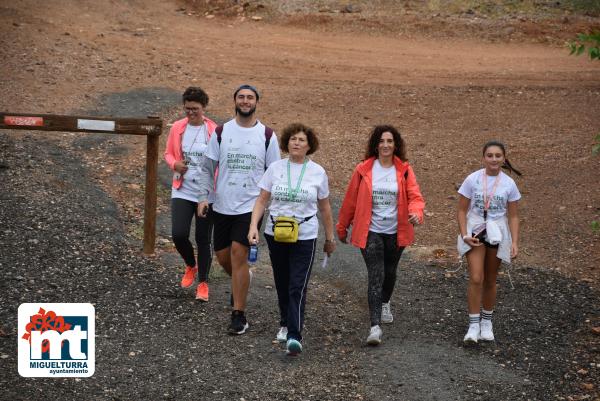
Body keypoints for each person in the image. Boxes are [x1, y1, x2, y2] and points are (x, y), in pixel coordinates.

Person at [197, 84, 280, 335]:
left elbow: (274, 173)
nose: (245, 101)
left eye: (250, 98)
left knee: (237, 251)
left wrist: (271, 205)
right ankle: (242, 279)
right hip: (222, 204)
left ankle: (238, 315)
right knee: (223, 257)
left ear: (257, 102)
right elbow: (208, 167)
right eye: (241, 97)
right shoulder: (222, 132)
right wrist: (203, 197)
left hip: (251, 206)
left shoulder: (267, 135)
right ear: (235, 101)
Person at [247, 123, 336, 356]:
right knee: (283, 280)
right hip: (276, 233)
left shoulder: (318, 172)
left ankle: (295, 335)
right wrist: (253, 227)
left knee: (298, 285)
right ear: (287, 142)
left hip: (305, 236)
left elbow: (325, 208)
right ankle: (285, 322)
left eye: (301, 140)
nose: (296, 143)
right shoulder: (275, 168)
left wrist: (330, 237)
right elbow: (261, 201)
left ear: (309, 146)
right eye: (293, 139)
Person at [337, 125, 425, 346]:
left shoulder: (404, 169)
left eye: (389, 141)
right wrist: (342, 226)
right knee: (375, 276)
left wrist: (416, 213)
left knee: (390, 271)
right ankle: (374, 327)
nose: (385, 145)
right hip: (370, 231)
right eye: (381, 141)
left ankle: (385, 302)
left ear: (396, 145)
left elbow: (415, 196)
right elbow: (350, 200)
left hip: (397, 231)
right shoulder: (363, 170)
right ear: (375, 145)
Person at [457, 140, 521, 344]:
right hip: (475, 229)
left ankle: (487, 322)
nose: (494, 159)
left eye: (498, 156)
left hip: (497, 231)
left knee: (491, 279)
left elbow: (513, 216)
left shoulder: (509, 183)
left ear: (504, 158)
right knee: (476, 277)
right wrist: (464, 233)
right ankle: (473, 325)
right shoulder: (472, 179)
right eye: (490, 155)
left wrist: (514, 242)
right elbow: (460, 210)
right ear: (483, 157)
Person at [164, 86, 217, 301]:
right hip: (183, 189)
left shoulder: (214, 130)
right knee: (178, 234)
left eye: (195, 109)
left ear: (203, 108)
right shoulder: (177, 127)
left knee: (203, 238)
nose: (190, 113)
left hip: (205, 192)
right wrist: (175, 164)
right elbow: (168, 153)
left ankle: (203, 283)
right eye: (187, 109)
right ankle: (190, 265)